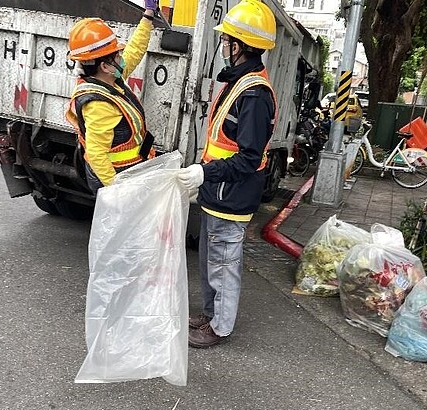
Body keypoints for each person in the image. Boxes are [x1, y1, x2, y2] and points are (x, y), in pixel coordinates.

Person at [177, 0, 278, 348]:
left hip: (230, 196)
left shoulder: (254, 95)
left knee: (222, 264)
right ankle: (210, 313)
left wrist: (205, 174)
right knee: (210, 260)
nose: (222, 46)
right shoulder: (240, 83)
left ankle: (219, 327)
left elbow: (248, 158)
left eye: (226, 41)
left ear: (239, 46)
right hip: (218, 193)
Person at [65, 1, 158, 194]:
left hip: (128, 172)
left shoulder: (109, 81)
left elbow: (135, 50)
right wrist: (116, 190)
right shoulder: (99, 104)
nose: (122, 58)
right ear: (105, 66)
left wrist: (148, 15)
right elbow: (97, 154)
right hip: (117, 177)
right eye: (117, 55)